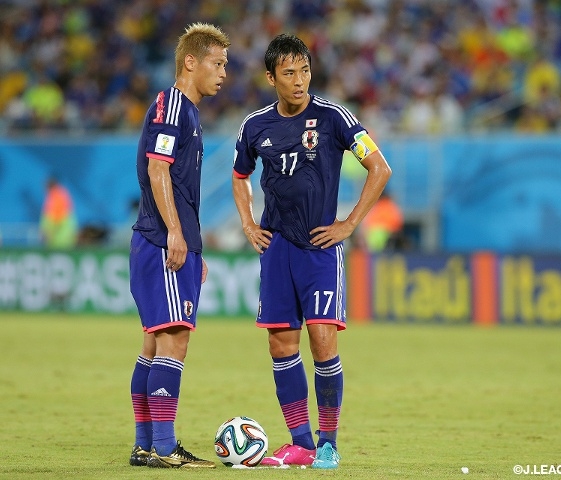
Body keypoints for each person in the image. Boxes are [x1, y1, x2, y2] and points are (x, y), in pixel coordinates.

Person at [231, 33, 392, 469]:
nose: (299, 81)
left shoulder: (334, 117)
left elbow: (379, 167)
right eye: (288, 73)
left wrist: (350, 223)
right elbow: (240, 174)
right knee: (281, 346)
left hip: (320, 248)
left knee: (322, 343)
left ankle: (329, 443)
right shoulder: (255, 126)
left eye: (304, 71)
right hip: (277, 247)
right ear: (271, 77)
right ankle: (300, 442)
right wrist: (247, 222)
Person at [128, 23, 229, 469]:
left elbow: (178, 184)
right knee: (174, 341)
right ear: (191, 61)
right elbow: (157, 170)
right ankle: (164, 448)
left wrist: (192, 244)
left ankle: (147, 445)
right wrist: (176, 234)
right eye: (217, 63)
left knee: (154, 344)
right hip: (159, 240)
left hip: (167, 241)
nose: (223, 73)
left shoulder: (187, 112)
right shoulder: (173, 105)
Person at [40, 176, 78, 249]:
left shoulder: (55, 197)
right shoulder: (61, 194)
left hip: (60, 238)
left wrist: (45, 232)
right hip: (64, 236)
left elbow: (52, 217)